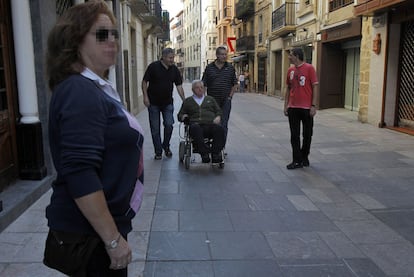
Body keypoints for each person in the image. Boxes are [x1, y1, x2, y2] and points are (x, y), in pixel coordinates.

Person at [44, 2, 144, 276]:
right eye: (101, 34)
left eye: (114, 33)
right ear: (75, 40)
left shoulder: (92, 88)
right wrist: (112, 240)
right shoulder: (80, 91)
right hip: (92, 235)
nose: (111, 40)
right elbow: (80, 172)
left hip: (99, 229)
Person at [142, 48, 185, 160]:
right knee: (155, 129)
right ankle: (158, 151)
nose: (172, 60)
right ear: (164, 57)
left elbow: (179, 86)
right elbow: (144, 81)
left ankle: (166, 145)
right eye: (171, 58)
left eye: (173, 57)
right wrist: (145, 97)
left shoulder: (174, 69)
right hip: (153, 103)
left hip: (167, 103)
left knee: (169, 125)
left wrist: (185, 101)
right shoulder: (153, 67)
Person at [284, 47, 319, 170]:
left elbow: (315, 87)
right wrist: (286, 105)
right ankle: (296, 160)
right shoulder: (290, 70)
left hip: (306, 108)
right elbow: (288, 88)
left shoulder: (310, 68)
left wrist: (313, 106)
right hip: (293, 107)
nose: (289, 57)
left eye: (291, 55)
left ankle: (305, 157)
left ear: (297, 56)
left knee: (307, 134)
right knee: (294, 135)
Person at [177, 80, 225, 163]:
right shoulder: (188, 101)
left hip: (210, 125)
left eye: (201, 87)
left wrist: (218, 116)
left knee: (220, 129)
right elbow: (180, 114)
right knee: (195, 128)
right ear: (192, 90)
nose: (200, 89)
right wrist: (183, 116)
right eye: (197, 88)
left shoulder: (210, 99)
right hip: (196, 125)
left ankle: (215, 153)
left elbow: (219, 111)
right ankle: (204, 153)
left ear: (204, 89)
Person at [202, 46, 238, 148]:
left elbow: (234, 84)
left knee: (224, 124)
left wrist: (230, 97)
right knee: (212, 122)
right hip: (212, 101)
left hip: (225, 101)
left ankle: (221, 147)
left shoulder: (230, 68)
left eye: (225, 54)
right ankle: (212, 143)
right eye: (222, 54)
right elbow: (204, 83)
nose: (224, 56)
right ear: (217, 55)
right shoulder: (209, 68)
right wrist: (204, 98)